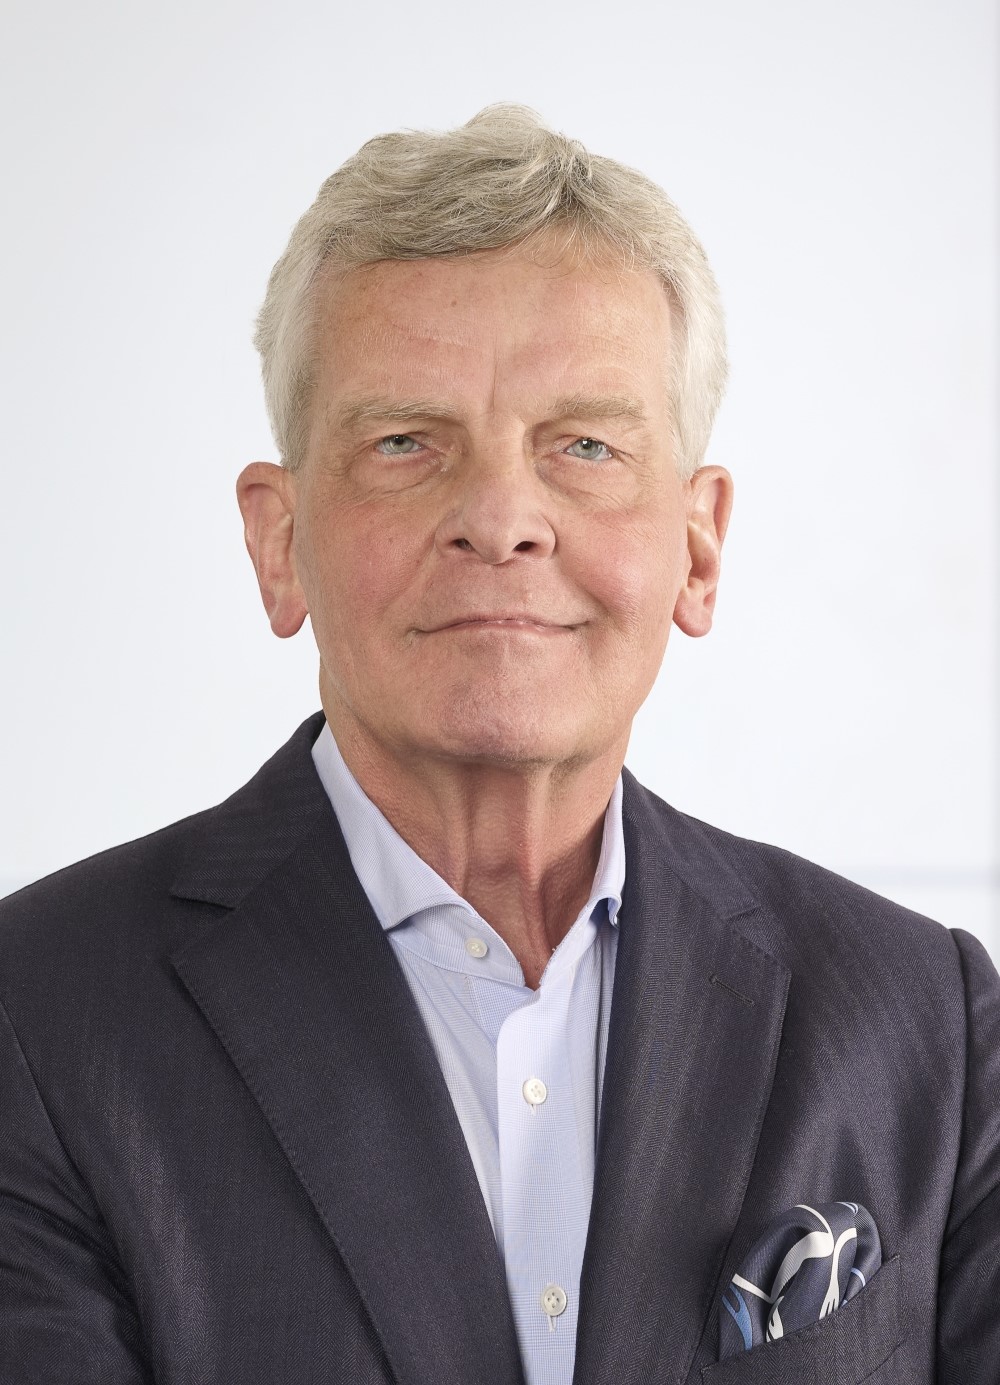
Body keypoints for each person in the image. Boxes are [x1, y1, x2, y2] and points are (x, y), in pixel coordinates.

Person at [0, 106, 996, 1385]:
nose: (501, 517)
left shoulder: (930, 1025)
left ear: (696, 547)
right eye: (407, 443)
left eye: (584, 445)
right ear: (277, 540)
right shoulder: (39, 1019)